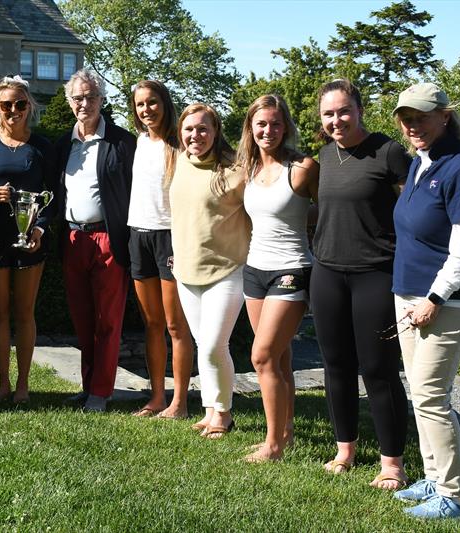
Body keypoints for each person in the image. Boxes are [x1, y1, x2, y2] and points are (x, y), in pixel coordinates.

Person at [391, 83, 460, 520]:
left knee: (431, 394)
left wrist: (434, 297)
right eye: (406, 117)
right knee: (421, 393)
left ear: (445, 117)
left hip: (448, 300)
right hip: (410, 295)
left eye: (422, 116)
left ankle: (455, 499)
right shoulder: (421, 164)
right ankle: (435, 478)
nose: (413, 125)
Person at [310, 79, 410, 489]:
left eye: (343, 111)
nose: (336, 120)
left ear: (359, 109)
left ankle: (392, 463)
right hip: (328, 273)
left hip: (376, 273)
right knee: (336, 367)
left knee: (378, 368)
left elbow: (416, 209)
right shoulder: (324, 156)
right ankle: (345, 449)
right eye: (328, 114)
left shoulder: (388, 152)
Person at [0, 76, 57, 404]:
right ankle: (3, 384)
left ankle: (23, 387)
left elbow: (54, 196)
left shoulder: (42, 146)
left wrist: (40, 228)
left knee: (25, 312)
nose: (13, 110)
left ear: (29, 106)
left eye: (20, 104)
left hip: (31, 237)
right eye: (6, 105)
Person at [238, 95, 318, 461]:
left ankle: (272, 447)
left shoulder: (302, 167)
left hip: (291, 269)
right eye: (260, 124)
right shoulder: (248, 168)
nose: (267, 130)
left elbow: (330, 211)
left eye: (274, 123)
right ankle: (283, 432)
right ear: (251, 128)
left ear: (285, 126)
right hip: (255, 271)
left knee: (262, 356)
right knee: (280, 358)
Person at [55, 70, 136, 412]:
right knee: (83, 318)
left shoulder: (122, 142)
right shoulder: (64, 145)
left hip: (108, 238)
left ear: (102, 100)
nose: (83, 103)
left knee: (108, 319)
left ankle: (101, 392)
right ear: (69, 101)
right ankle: (89, 385)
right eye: (77, 98)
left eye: (90, 97)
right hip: (73, 239)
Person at [169, 103, 250, 439]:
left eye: (203, 128)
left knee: (216, 344)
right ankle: (209, 409)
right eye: (189, 129)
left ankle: (225, 413)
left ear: (216, 131)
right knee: (204, 343)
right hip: (186, 270)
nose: (195, 135)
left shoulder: (237, 168)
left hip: (228, 269)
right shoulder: (176, 162)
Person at [127, 80, 193, 419]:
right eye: (140, 105)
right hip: (138, 235)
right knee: (151, 323)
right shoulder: (138, 142)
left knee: (175, 325)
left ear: (164, 103)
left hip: (171, 237)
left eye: (152, 102)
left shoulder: (180, 144)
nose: (146, 109)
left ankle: (179, 403)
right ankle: (156, 397)